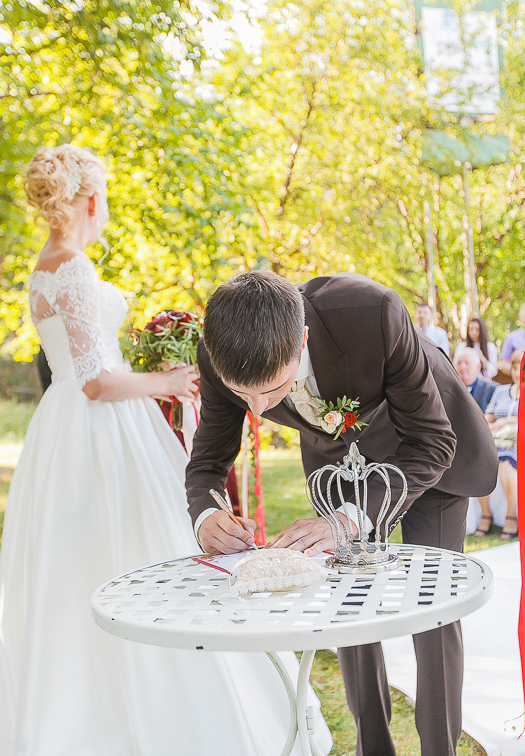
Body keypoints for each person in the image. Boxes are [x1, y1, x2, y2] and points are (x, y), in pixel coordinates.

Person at [0, 146, 332, 756]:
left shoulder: (41, 268)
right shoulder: (72, 268)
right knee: (138, 545)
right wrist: (169, 382)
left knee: (78, 558)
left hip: (59, 432)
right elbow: (95, 379)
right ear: (90, 200)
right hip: (98, 425)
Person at [186, 271, 498, 756]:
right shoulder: (219, 351)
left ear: (302, 339)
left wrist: (348, 520)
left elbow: (433, 440)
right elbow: (207, 463)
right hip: (338, 463)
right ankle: (373, 745)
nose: (257, 408)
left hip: (425, 446)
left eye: (272, 391)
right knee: (346, 603)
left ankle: (440, 747)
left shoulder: (373, 312)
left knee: (430, 607)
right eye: (242, 394)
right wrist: (208, 516)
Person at [476, 349, 523, 541]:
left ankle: (511, 517)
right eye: (514, 367)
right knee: (478, 464)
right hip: (496, 441)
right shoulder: (501, 391)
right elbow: (488, 416)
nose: (517, 372)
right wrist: (493, 422)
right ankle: (486, 515)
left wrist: (506, 422)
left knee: (504, 464)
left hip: (516, 446)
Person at [454, 347, 497, 413]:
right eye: (459, 363)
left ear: (478, 366)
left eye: (467, 363)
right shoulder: (449, 389)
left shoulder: (492, 390)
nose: (462, 367)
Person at [500, 304, 525, 375]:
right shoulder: (512, 338)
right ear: (519, 317)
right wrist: (518, 371)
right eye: (524, 316)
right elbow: (504, 365)